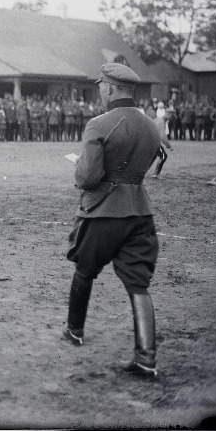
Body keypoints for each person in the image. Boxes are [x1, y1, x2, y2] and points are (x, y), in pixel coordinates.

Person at [63, 63, 162, 379]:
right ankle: (146, 358)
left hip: (104, 211)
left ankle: (74, 331)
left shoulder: (98, 124)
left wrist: (79, 168)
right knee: (138, 283)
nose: (100, 91)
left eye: (102, 86)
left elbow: (89, 177)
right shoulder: (151, 126)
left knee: (84, 269)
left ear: (111, 88)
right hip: (140, 212)